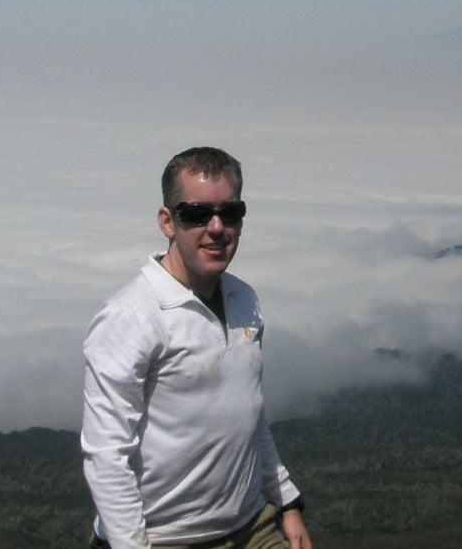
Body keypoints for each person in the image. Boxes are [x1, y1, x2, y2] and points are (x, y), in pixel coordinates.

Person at [81, 147, 311, 549]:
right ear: (167, 222)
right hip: (163, 540)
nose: (217, 227)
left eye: (231, 213)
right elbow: (106, 453)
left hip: (252, 526)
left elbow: (248, 414)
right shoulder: (131, 316)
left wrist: (286, 502)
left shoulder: (244, 299)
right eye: (196, 214)